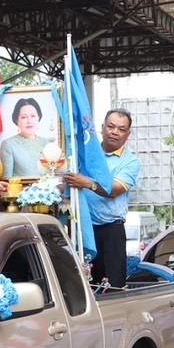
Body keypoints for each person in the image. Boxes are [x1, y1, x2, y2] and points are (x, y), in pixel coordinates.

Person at [61, 108, 139, 288]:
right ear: (102, 127)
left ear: (128, 134)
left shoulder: (130, 161)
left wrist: (87, 183)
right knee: (81, 287)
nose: (115, 132)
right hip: (81, 229)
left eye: (121, 129)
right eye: (111, 126)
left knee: (112, 289)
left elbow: (115, 189)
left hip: (110, 232)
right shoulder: (85, 154)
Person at [0, 97, 52, 177]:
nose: (29, 121)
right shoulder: (8, 145)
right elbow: (6, 179)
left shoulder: (47, 144)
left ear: (38, 118)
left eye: (33, 116)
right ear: (17, 120)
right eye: (24, 117)